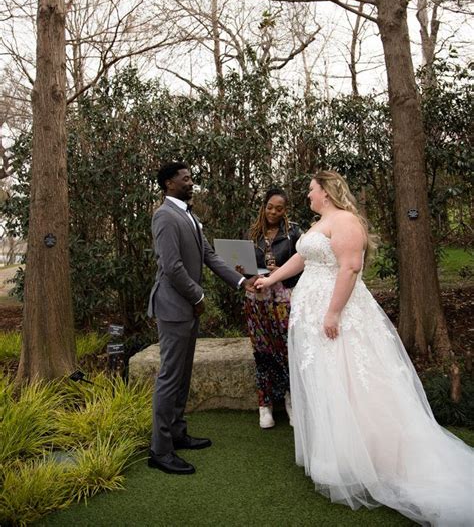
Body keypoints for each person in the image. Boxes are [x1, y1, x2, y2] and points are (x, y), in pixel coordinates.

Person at [255, 170, 473, 526]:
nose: (307, 194)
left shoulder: (346, 221)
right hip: (312, 315)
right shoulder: (318, 223)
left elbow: (350, 267)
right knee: (328, 382)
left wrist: (333, 313)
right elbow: (303, 259)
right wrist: (272, 278)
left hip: (337, 315)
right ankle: (339, 456)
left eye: (311, 189)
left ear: (325, 191)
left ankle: (377, 456)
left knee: (353, 382)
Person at [147, 162, 255, 475]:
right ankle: (160, 450)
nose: (192, 183)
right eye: (186, 179)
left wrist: (241, 281)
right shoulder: (164, 215)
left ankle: (178, 433)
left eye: (192, 178)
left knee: (182, 375)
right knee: (170, 377)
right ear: (169, 183)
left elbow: (209, 256)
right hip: (173, 307)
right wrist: (199, 296)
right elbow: (172, 266)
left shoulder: (189, 215)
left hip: (188, 307)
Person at [243, 187, 302, 429]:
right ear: (263, 206)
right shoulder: (253, 232)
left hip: (283, 298)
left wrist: (282, 272)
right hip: (255, 299)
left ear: (285, 209)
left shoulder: (294, 232)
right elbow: (246, 265)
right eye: (270, 207)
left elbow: (305, 263)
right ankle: (264, 405)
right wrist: (245, 276)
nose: (273, 212)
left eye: (279, 208)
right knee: (262, 351)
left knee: (286, 349)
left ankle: (291, 400)